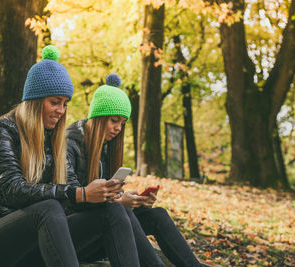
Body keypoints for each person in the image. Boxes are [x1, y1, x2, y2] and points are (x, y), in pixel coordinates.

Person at [0, 47, 142, 267]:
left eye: (65, 104)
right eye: (55, 102)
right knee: (49, 207)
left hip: (27, 244)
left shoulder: (53, 140)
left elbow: (73, 194)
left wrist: (103, 195)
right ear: (35, 101)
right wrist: (81, 194)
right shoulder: (2, 131)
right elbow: (14, 191)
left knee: (112, 211)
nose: (61, 110)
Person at [66, 74, 202, 267]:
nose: (118, 128)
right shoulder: (68, 144)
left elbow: (107, 198)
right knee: (120, 211)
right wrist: (119, 202)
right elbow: (68, 199)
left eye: (122, 123)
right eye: (114, 121)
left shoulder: (105, 147)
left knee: (157, 215)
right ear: (98, 117)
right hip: (73, 237)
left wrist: (128, 198)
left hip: (107, 223)